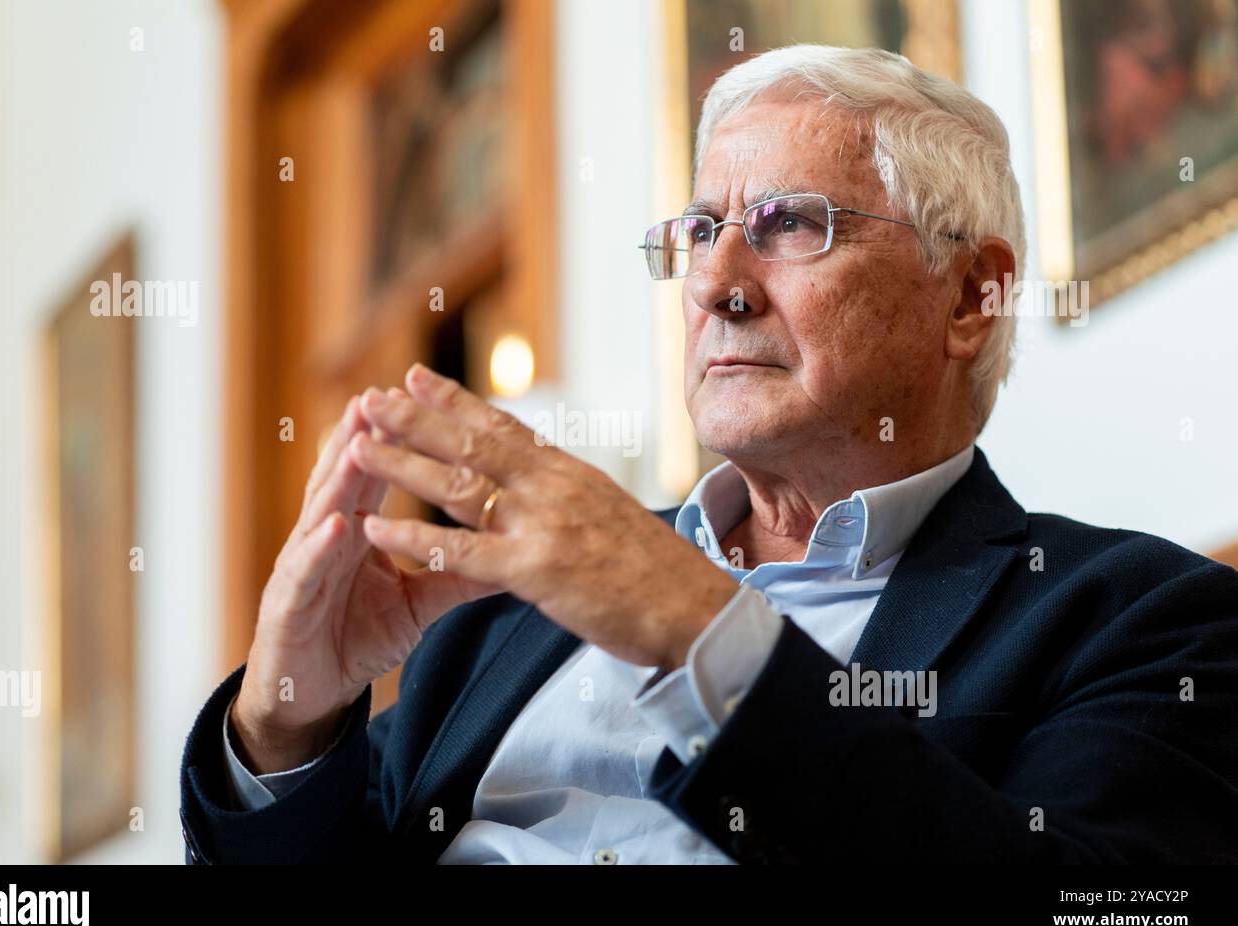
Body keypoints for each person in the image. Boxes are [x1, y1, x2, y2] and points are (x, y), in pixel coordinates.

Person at [180, 44, 1238, 864]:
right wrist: (284, 722)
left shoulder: (1144, 623)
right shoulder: (496, 619)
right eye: (698, 230)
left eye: (787, 225)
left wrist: (694, 631)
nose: (714, 282)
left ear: (969, 296)